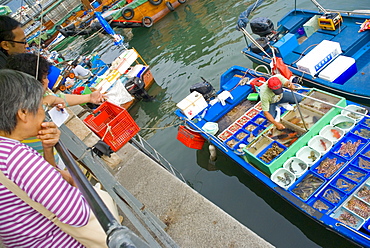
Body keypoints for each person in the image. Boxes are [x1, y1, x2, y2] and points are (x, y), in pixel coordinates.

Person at [0, 69, 90, 247]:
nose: (43, 113)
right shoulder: (16, 158)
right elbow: (78, 214)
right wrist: (74, 181)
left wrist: (47, 148)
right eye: (40, 107)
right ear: (23, 113)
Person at [6, 53, 106, 167]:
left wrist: (89, 97)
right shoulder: (23, 115)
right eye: (44, 78)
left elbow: (61, 99)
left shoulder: (34, 97)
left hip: (54, 160)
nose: (48, 81)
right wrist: (46, 102)